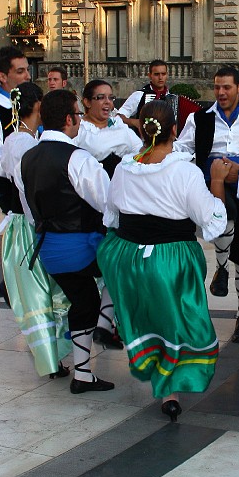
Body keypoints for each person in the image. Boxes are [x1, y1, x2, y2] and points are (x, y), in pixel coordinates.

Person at [98, 100, 230, 422]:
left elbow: (112, 217)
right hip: (171, 261)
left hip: (129, 258)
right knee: (180, 322)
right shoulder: (185, 171)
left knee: (152, 320)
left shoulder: (125, 167)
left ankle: (161, 383)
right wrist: (217, 180)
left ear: (142, 130)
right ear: (174, 130)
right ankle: (171, 388)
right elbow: (213, 223)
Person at [22, 88, 115, 394]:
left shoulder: (29, 156)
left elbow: (29, 207)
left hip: (48, 249)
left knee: (84, 299)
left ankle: (84, 374)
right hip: (78, 247)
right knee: (123, 264)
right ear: (68, 119)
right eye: (77, 115)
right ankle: (106, 323)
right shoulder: (77, 158)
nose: (79, 120)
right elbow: (107, 203)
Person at [174, 66, 239, 344]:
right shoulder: (199, 118)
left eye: (226, 87)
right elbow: (182, 148)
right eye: (217, 87)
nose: (221, 92)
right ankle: (222, 267)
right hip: (211, 180)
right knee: (224, 214)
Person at [0, 83, 73, 379]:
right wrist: (38, 222)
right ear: (38, 107)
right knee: (44, 294)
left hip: (24, 224)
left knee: (46, 291)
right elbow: (25, 186)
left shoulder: (18, 139)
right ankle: (50, 357)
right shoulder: (25, 143)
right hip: (29, 226)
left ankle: (52, 355)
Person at [74, 78, 142, 349]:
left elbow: (139, 153)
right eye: (100, 97)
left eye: (110, 97)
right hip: (88, 206)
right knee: (98, 265)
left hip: (119, 205)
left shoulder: (121, 128)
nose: (107, 102)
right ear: (87, 102)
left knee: (119, 262)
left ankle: (108, 323)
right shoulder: (82, 131)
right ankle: (100, 323)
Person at [0, 46, 33, 304]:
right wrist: (25, 166)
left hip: (31, 189)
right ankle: (12, 286)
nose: (27, 76)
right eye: (20, 71)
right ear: (3, 76)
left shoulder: (25, 106)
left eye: (27, 70)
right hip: (12, 192)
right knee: (23, 243)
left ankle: (13, 284)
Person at [118, 59, 200, 132]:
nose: (160, 77)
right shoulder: (139, 95)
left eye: (163, 74)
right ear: (150, 76)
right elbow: (118, 117)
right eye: (156, 74)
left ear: (167, 75)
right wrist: (134, 122)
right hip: (144, 145)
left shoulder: (174, 99)